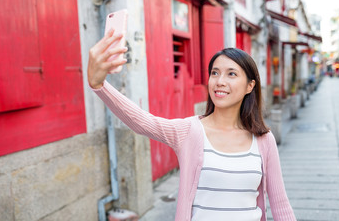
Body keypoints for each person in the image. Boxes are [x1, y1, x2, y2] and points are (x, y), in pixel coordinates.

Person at [88, 30, 296, 221]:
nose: (219, 81)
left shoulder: (263, 139)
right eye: (215, 73)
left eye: (231, 74)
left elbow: (280, 205)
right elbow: (143, 122)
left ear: (250, 86)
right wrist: (99, 85)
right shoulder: (190, 131)